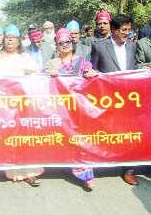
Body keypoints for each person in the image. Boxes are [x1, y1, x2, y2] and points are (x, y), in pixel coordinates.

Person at [0, 25, 43, 185]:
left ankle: (30, 172)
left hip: (24, 105)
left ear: (18, 40)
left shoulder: (26, 57)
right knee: (9, 137)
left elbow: (38, 75)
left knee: (26, 137)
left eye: (13, 37)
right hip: (3, 106)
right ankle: (13, 170)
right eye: (7, 36)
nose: (9, 39)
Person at [45, 28, 97, 189]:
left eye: (67, 42)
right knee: (63, 137)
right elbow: (42, 83)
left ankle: (85, 172)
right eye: (61, 43)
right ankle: (66, 165)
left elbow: (93, 78)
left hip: (78, 107)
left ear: (72, 43)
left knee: (79, 138)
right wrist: (49, 74)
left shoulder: (82, 61)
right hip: (58, 107)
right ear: (56, 46)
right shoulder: (51, 63)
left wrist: (93, 73)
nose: (65, 45)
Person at [90, 14, 138, 186]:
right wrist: (91, 73)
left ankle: (129, 170)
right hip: (107, 99)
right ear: (114, 29)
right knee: (105, 132)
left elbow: (136, 68)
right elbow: (91, 70)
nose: (127, 33)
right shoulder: (99, 46)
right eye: (124, 30)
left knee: (129, 134)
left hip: (129, 99)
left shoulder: (133, 46)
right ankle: (100, 164)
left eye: (129, 30)